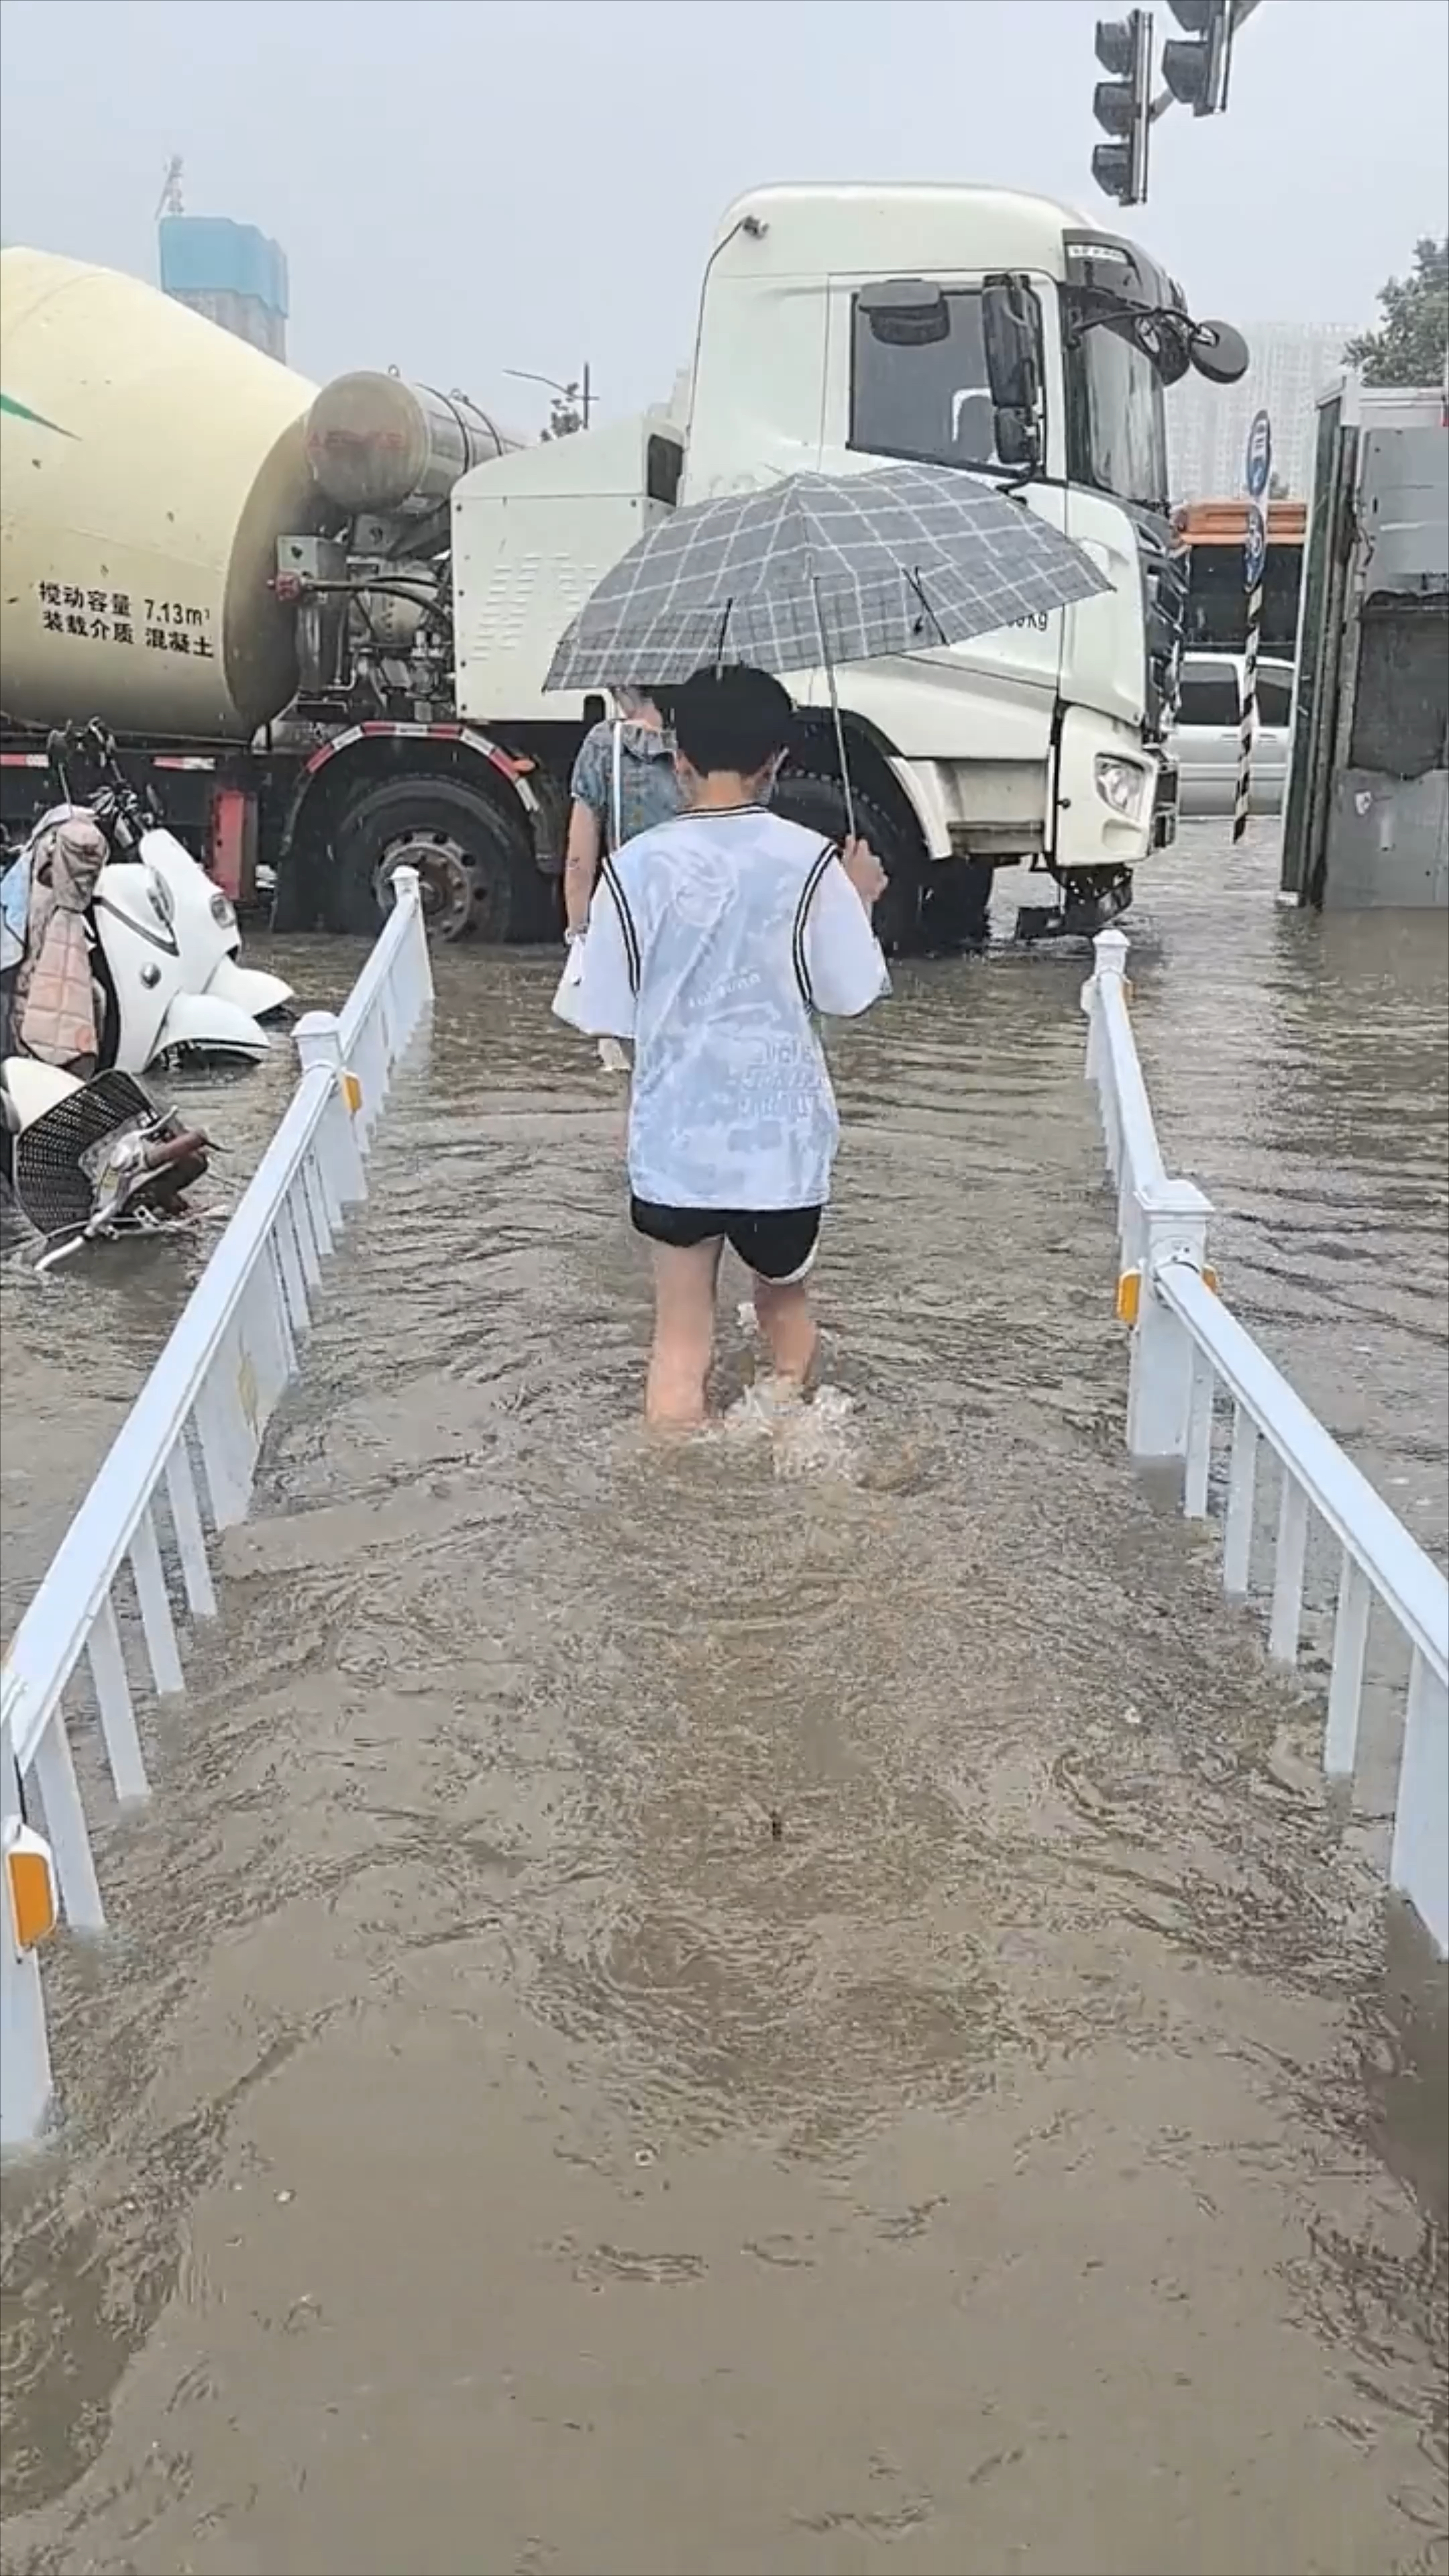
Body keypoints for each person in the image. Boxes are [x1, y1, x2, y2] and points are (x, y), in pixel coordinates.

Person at [561, 663, 889, 1428]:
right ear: (777, 761)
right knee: (783, 1310)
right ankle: (778, 1438)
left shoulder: (632, 869)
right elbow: (850, 994)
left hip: (675, 1145)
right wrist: (860, 899)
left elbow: (604, 1008)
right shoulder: (811, 863)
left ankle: (674, 1498)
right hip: (780, 1149)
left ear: (679, 760)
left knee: (679, 1344)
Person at [563, 685, 682, 938]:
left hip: (629, 911)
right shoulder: (700, 743)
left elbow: (579, 860)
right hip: (690, 911)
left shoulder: (605, 743)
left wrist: (578, 933)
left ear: (625, 687)